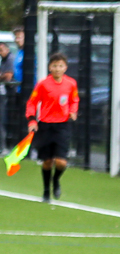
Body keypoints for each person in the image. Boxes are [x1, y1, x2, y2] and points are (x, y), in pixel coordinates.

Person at [25, 53, 78, 202]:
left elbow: (74, 99)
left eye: (60, 66)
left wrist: (73, 111)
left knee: (61, 162)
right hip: (46, 126)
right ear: (50, 67)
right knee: (47, 161)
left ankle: (56, 181)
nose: (57, 69)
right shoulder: (43, 84)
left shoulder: (71, 83)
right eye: (54, 66)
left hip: (63, 125)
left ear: (65, 67)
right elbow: (32, 102)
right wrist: (32, 121)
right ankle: (46, 190)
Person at [0, 41, 13, 151]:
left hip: (7, 95)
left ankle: (4, 147)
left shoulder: (10, 59)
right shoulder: (3, 60)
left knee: (3, 120)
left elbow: (8, 76)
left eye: (1, 50)